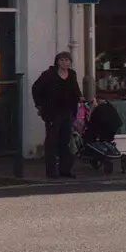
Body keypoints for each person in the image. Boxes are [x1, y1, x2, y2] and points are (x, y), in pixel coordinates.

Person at [31, 51, 82, 179]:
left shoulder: (72, 75)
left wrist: (79, 100)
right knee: (52, 141)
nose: (65, 63)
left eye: (68, 60)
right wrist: (40, 105)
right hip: (53, 113)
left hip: (67, 112)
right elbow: (36, 88)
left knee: (65, 141)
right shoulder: (49, 75)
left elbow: (76, 91)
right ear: (57, 61)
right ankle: (51, 171)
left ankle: (65, 169)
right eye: (63, 60)